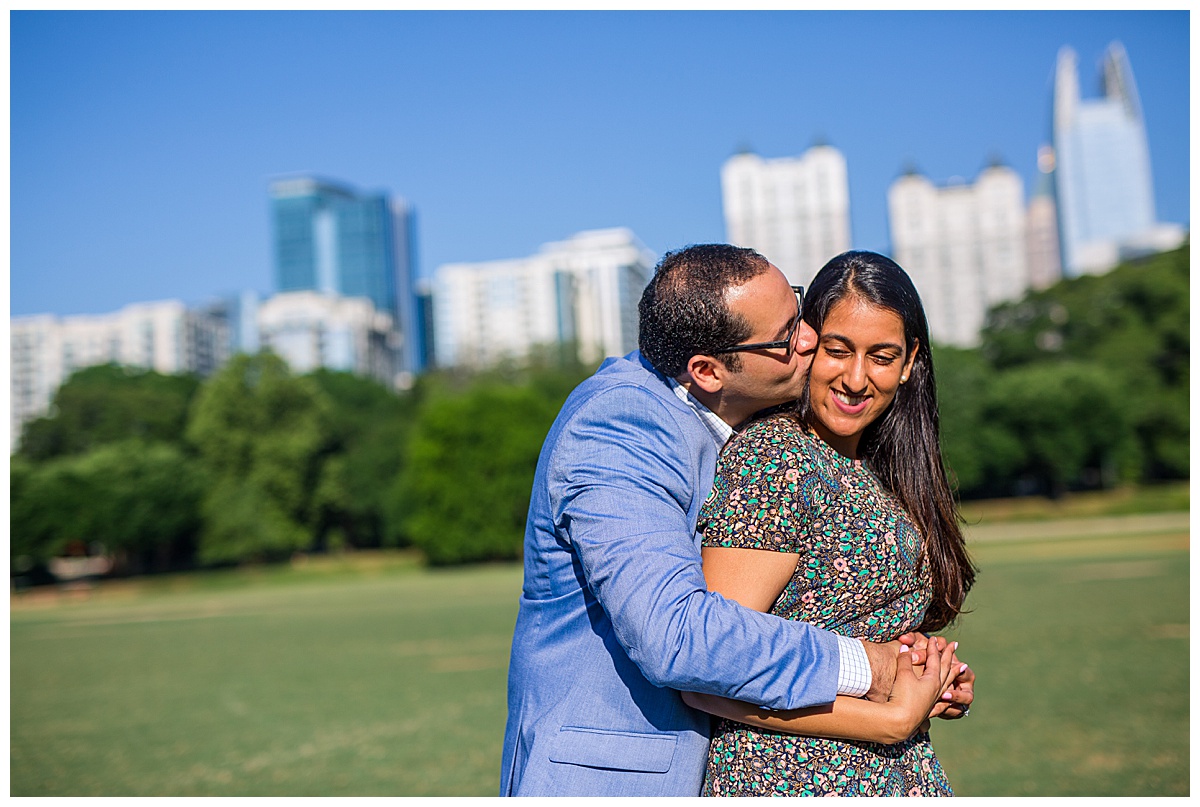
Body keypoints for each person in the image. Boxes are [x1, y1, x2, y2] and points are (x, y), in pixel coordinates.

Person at [500, 244, 970, 797]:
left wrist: (921, 670)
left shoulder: (744, 426)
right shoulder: (620, 426)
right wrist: (874, 674)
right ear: (707, 370)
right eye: (785, 336)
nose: (808, 340)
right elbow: (677, 638)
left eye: (797, 312)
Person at [682, 250, 977, 796]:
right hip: (786, 779)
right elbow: (709, 672)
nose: (856, 379)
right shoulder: (776, 458)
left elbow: (852, 627)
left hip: (898, 773)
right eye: (838, 351)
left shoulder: (880, 466)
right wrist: (888, 719)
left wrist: (929, 678)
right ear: (807, 344)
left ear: (911, 362)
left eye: (882, 356)